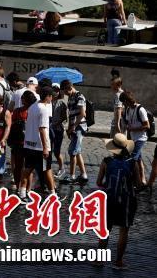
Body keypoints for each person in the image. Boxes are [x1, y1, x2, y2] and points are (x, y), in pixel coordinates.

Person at [97, 133, 142, 271]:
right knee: (124, 231)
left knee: (105, 230)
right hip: (127, 201)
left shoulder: (106, 162)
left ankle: (99, 260)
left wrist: (109, 184)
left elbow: (99, 182)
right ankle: (118, 261)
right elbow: (139, 185)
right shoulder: (133, 163)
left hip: (109, 200)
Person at [21, 86, 55, 199]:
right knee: (47, 170)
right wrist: (45, 147)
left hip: (29, 145)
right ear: (48, 96)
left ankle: (22, 194)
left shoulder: (32, 107)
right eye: (51, 97)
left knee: (27, 169)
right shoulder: (44, 109)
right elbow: (42, 129)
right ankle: (52, 194)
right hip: (40, 147)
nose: (52, 99)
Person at [61, 79, 88, 185]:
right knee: (77, 151)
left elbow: (82, 114)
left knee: (72, 152)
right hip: (73, 127)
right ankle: (84, 174)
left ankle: (72, 176)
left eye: (65, 91)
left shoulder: (80, 96)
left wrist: (73, 126)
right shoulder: (71, 97)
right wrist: (69, 128)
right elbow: (71, 115)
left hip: (79, 127)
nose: (65, 94)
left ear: (69, 88)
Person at [119, 91, 150, 180]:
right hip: (133, 138)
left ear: (126, 100)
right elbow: (128, 124)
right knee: (139, 159)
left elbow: (147, 126)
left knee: (132, 159)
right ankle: (143, 179)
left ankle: (134, 180)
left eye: (123, 102)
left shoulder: (140, 109)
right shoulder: (129, 109)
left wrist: (133, 129)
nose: (123, 104)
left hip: (140, 138)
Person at [50, 84, 68, 178]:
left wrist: (57, 123)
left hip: (58, 129)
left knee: (56, 151)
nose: (55, 92)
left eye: (57, 90)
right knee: (48, 150)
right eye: (54, 90)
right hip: (49, 128)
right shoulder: (48, 101)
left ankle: (62, 168)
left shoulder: (62, 103)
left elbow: (65, 117)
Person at [110, 69, 124, 139]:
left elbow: (119, 109)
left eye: (112, 84)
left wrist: (117, 124)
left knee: (114, 143)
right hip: (121, 121)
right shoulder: (122, 93)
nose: (111, 86)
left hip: (118, 122)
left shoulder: (118, 95)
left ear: (118, 85)